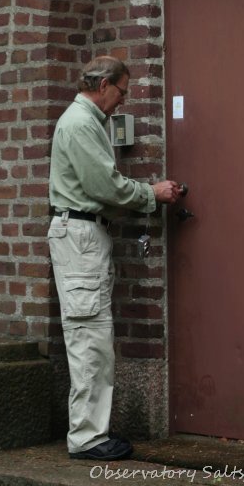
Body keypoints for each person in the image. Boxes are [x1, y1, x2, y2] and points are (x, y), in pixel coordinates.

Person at [48, 55, 181, 461]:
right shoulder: (80, 122)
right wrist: (151, 195)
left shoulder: (87, 120)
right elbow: (104, 186)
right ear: (104, 84)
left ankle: (91, 431)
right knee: (89, 338)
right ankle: (88, 439)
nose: (123, 101)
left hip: (84, 234)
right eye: (122, 91)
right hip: (81, 234)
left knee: (93, 337)